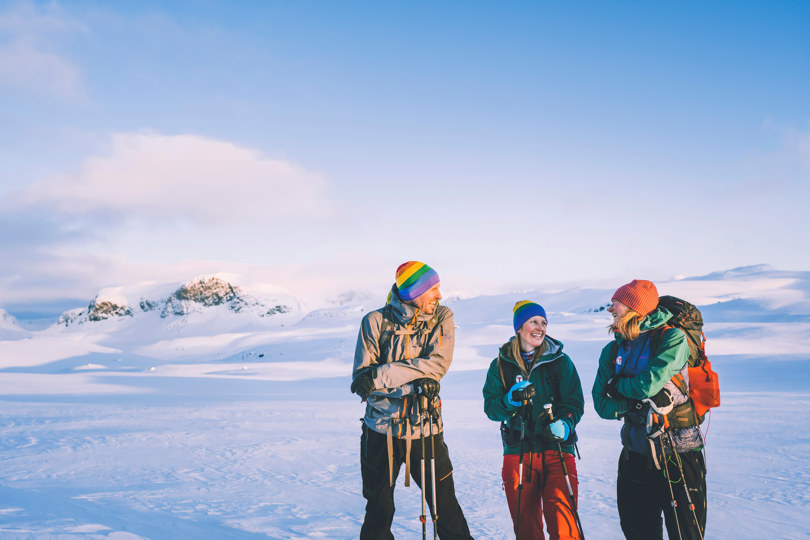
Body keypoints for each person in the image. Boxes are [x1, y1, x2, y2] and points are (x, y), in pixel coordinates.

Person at [351, 261, 473, 540]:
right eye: (434, 289)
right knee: (379, 508)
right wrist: (416, 384)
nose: (439, 296)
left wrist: (381, 376)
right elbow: (361, 383)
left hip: (425, 428)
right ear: (414, 292)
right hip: (381, 430)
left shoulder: (442, 316)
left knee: (445, 508)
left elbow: (437, 366)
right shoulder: (374, 322)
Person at [592, 279, 707, 540]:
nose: (611, 309)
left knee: (686, 534)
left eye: (617, 303)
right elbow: (601, 404)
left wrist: (618, 387)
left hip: (678, 452)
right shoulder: (611, 350)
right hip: (634, 452)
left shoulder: (672, 339)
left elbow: (649, 384)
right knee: (637, 532)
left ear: (636, 309)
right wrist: (635, 401)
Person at [482, 300, 584, 540]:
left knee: (564, 525)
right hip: (518, 450)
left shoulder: (560, 361)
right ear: (519, 327)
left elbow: (574, 403)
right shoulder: (500, 364)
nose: (540, 327)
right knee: (526, 527)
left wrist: (566, 424)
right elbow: (491, 408)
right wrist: (510, 401)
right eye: (533, 322)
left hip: (557, 448)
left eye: (544, 322)